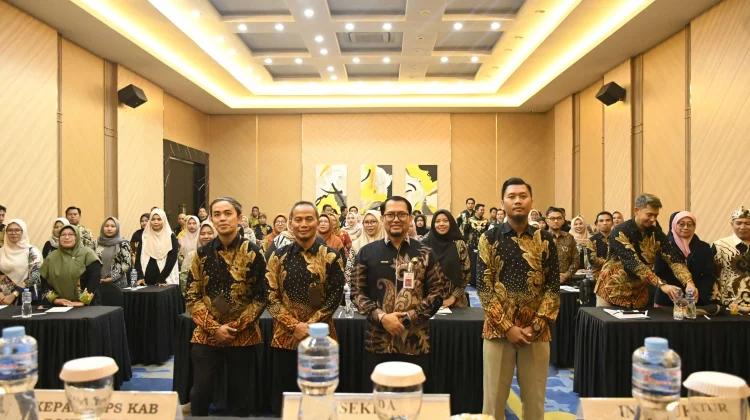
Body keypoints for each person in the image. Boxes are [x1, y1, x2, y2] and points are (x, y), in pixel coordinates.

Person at [477, 178, 559, 420]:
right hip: (497, 330)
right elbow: (484, 288)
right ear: (502, 203)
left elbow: (553, 288)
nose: (518, 201)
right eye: (511, 196)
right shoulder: (489, 238)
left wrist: (536, 326)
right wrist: (507, 327)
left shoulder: (545, 239)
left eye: (523, 196)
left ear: (531, 201)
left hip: (537, 332)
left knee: (535, 402)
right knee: (493, 402)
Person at [185, 197, 267, 417]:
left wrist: (234, 327)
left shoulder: (254, 252)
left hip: (243, 333)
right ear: (211, 219)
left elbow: (262, 297)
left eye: (228, 213)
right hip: (206, 333)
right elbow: (192, 296)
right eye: (217, 214)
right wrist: (214, 328)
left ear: (239, 218)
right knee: (199, 393)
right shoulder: (201, 253)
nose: (222, 219)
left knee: (242, 397)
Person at [352, 196, 445, 385]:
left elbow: (437, 294)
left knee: (413, 396)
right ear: (383, 218)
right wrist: (382, 317)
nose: (396, 219)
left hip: (415, 342)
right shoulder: (366, 252)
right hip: (377, 342)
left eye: (402, 214)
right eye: (390, 215)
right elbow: (356, 293)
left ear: (410, 218)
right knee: (378, 395)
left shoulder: (426, 252)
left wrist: (408, 317)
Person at [266, 201, 345, 415]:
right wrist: (294, 326)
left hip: (322, 340)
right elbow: (270, 296)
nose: (303, 224)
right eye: (298, 219)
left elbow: (335, 298)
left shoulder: (332, 256)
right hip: (285, 337)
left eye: (309, 219)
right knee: (286, 403)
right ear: (291, 223)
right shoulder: (277, 256)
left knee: (321, 400)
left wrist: (308, 328)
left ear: (317, 222)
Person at [595, 194, 694, 308]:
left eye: (656, 215)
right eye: (649, 215)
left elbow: (674, 259)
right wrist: (661, 285)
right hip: (611, 291)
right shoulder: (619, 231)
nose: (653, 219)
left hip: (638, 295)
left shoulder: (657, 234)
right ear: (636, 211)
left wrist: (688, 282)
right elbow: (633, 263)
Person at [654, 212, 715, 306]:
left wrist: (697, 297)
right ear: (674, 225)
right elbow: (659, 272)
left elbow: (708, 275)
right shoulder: (664, 246)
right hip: (667, 299)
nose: (685, 227)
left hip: (695, 299)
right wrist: (675, 294)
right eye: (681, 224)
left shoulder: (704, 247)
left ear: (694, 226)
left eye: (689, 225)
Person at [40, 225, 101, 306]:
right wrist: (55, 300)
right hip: (59, 306)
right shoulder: (52, 257)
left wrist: (83, 302)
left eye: (71, 234)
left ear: (77, 237)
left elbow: (94, 280)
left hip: (87, 306)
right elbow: (43, 280)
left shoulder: (88, 254)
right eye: (63, 235)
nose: (67, 237)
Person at [422, 210, 470, 308]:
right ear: (433, 224)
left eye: (445, 220)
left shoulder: (459, 244)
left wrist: (453, 297)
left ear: (451, 222)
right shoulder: (425, 244)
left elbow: (466, 273)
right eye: (437, 221)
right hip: (428, 302)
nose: (441, 224)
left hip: (456, 302)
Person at [712, 206, 750, 310]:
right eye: (739, 223)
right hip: (730, 303)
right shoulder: (720, 245)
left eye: (747, 223)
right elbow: (713, 274)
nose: (743, 227)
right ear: (732, 224)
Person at [0, 219, 43, 304]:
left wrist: (15, 294)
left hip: (26, 296)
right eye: (10, 230)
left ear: (23, 232)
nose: (13, 233)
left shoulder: (32, 251)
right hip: (3, 298)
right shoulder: (1, 251)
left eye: (17, 230)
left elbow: (35, 275)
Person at [135, 209, 179, 285]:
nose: (156, 222)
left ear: (164, 220)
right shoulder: (145, 237)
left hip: (165, 281)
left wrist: (162, 279)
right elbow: (138, 258)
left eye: (159, 219)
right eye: (153, 219)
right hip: (146, 281)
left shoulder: (170, 236)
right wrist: (140, 277)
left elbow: (172, 259)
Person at [345, 210, 384, 285]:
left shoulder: (388, 243)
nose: (369, 225)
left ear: (380, 223)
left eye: (373, 221)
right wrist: (355, 288)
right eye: (366, 222)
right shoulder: (356, 244)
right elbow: (348, 270)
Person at [180, 220, 217, 296]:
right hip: (196, 298)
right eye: (202, 234)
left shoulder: (222, 255)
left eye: (210, 233)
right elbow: (184, 279)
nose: (206, 236)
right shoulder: (192, 255)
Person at [96, 217, 131, 288]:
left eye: (113, 226)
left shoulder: (123, 244)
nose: (109, 229)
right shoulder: (97, 243)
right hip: (99, 282)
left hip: (118, 284)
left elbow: (126, 264)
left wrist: (112, 278)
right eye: (106, 226)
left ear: (117, 228)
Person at [547, 207, 579, 285]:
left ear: (563, 220)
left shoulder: (569, 237)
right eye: (552, 218)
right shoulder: (541, 237)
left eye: (559, 218)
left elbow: (576, 260)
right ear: (547, 221)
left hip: (566, 281)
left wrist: (567, 275)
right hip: (546, 282)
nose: (556, 221)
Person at [464, 204, 490, 287]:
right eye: (481, 210)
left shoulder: (486, 221)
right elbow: (465, 232)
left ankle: (480, 280)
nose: (482, 211)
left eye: (483, 210)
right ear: (476, 210)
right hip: (472, 245)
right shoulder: (470, 220)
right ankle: (472, 281)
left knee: (481, 263)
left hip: (482, 245)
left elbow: (488, 232)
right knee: (472, 263)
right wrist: (466, 242)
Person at [586, 212, 613, 277]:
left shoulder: (618, 238)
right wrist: (611, 263)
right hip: (598, 273)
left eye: (607, 220)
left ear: (612, 223)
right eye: (601, 221)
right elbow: (592, 259)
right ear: (596, 224)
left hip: (616, 273)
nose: (605, 223)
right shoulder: (592, 240)